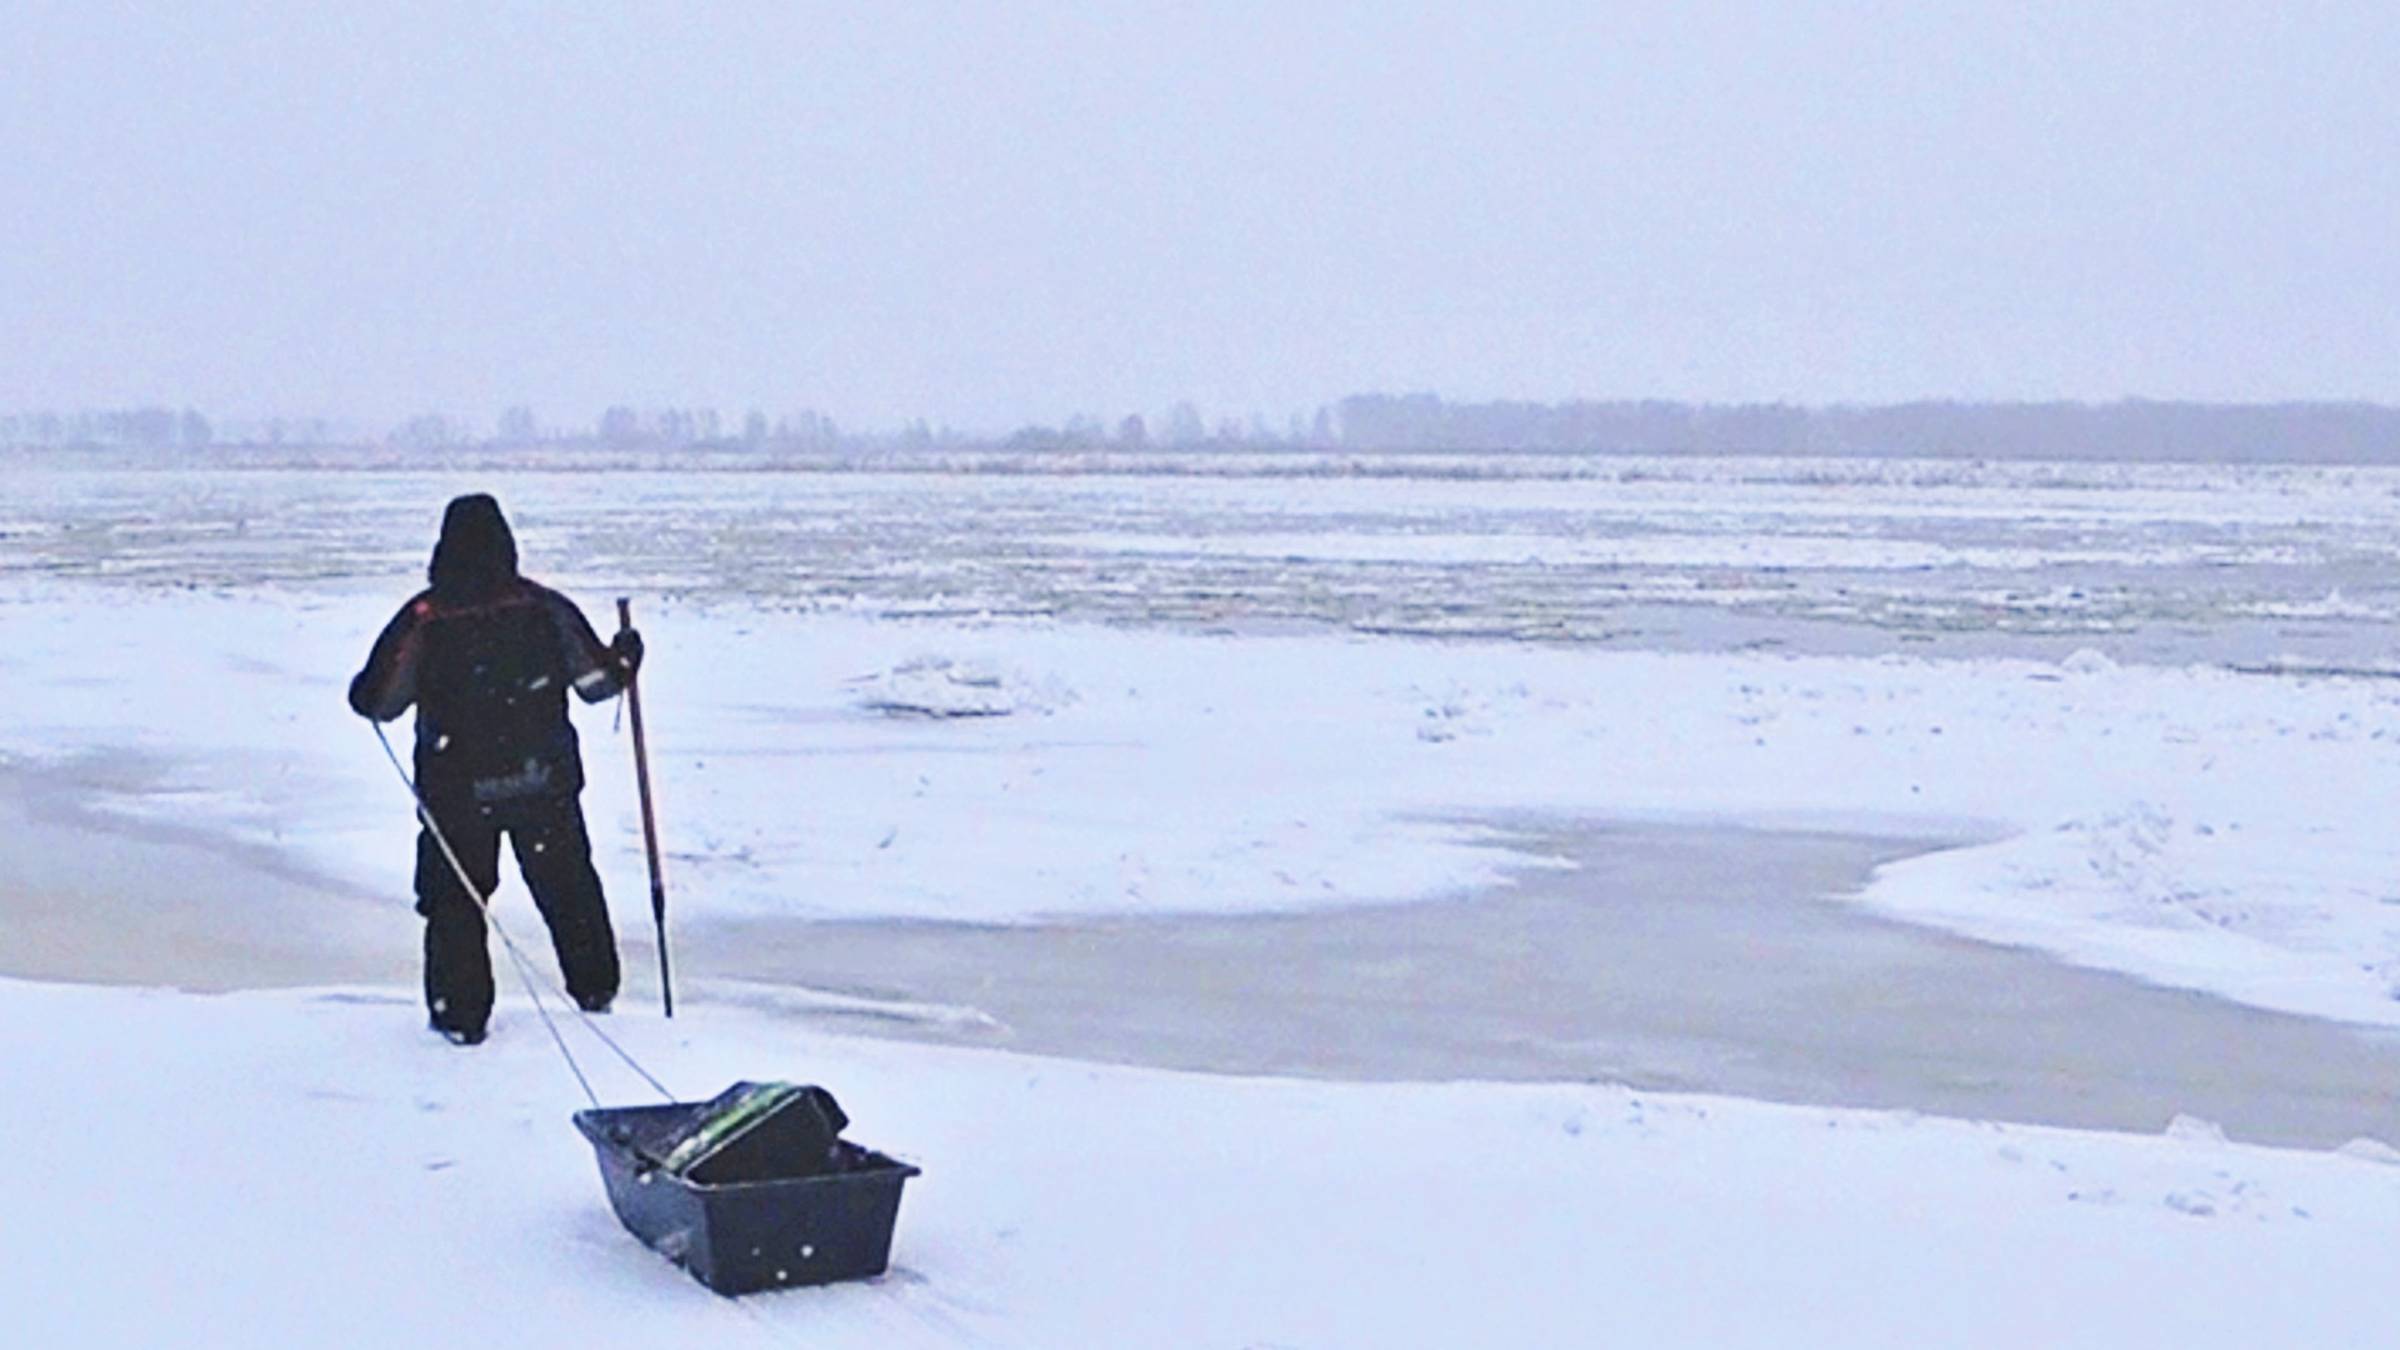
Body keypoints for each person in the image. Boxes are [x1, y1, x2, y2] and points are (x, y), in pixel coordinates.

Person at [348, 493, 644, 1044]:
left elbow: (377, 701)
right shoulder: (542, 607)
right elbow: (595, 683)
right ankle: (596, 994)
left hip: (455, 790)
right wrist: (625, 658)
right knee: (568, 889)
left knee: (454, 902)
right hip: (543, 782)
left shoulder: (425, 617)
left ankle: (460, 1018)